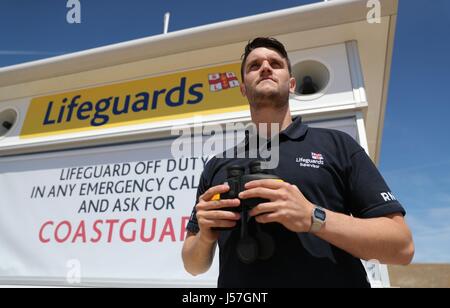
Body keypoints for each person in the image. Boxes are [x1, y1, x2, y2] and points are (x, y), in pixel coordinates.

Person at [181, 37, 414, 288]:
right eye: (254, 65)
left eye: (275, 63)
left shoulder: (337, 146)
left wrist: (313, 216)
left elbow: (401, 247)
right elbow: (193, 265)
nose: (265, 68)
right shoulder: (217, 165)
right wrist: (204, 237)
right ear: (243, 89)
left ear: (291, 84)